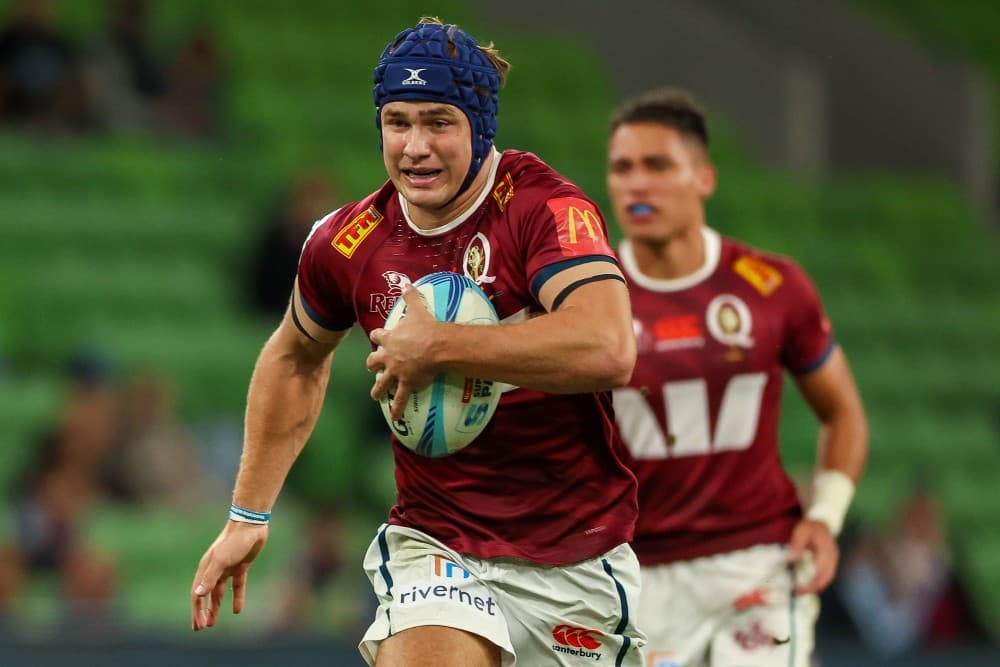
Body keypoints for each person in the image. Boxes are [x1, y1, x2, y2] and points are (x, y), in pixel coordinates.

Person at [189, 17, 645, 667]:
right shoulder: (346, 241)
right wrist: (248, 514)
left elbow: (609, 345)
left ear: (479, 126)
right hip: (439, 544)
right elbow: (294, 356)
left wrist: (443, 345)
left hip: (575, 557)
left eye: (438, 122)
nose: (414, 146)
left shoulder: (541, 208)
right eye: (397, 121)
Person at [605, 88, 869, 667]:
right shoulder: (586, 302)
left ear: (704, 178)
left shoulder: (772, 286)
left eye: (657, 165)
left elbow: (842, 411)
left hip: (757, 561)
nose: (636, 184)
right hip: (633, 573)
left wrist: (824, 517)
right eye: (622, 168)